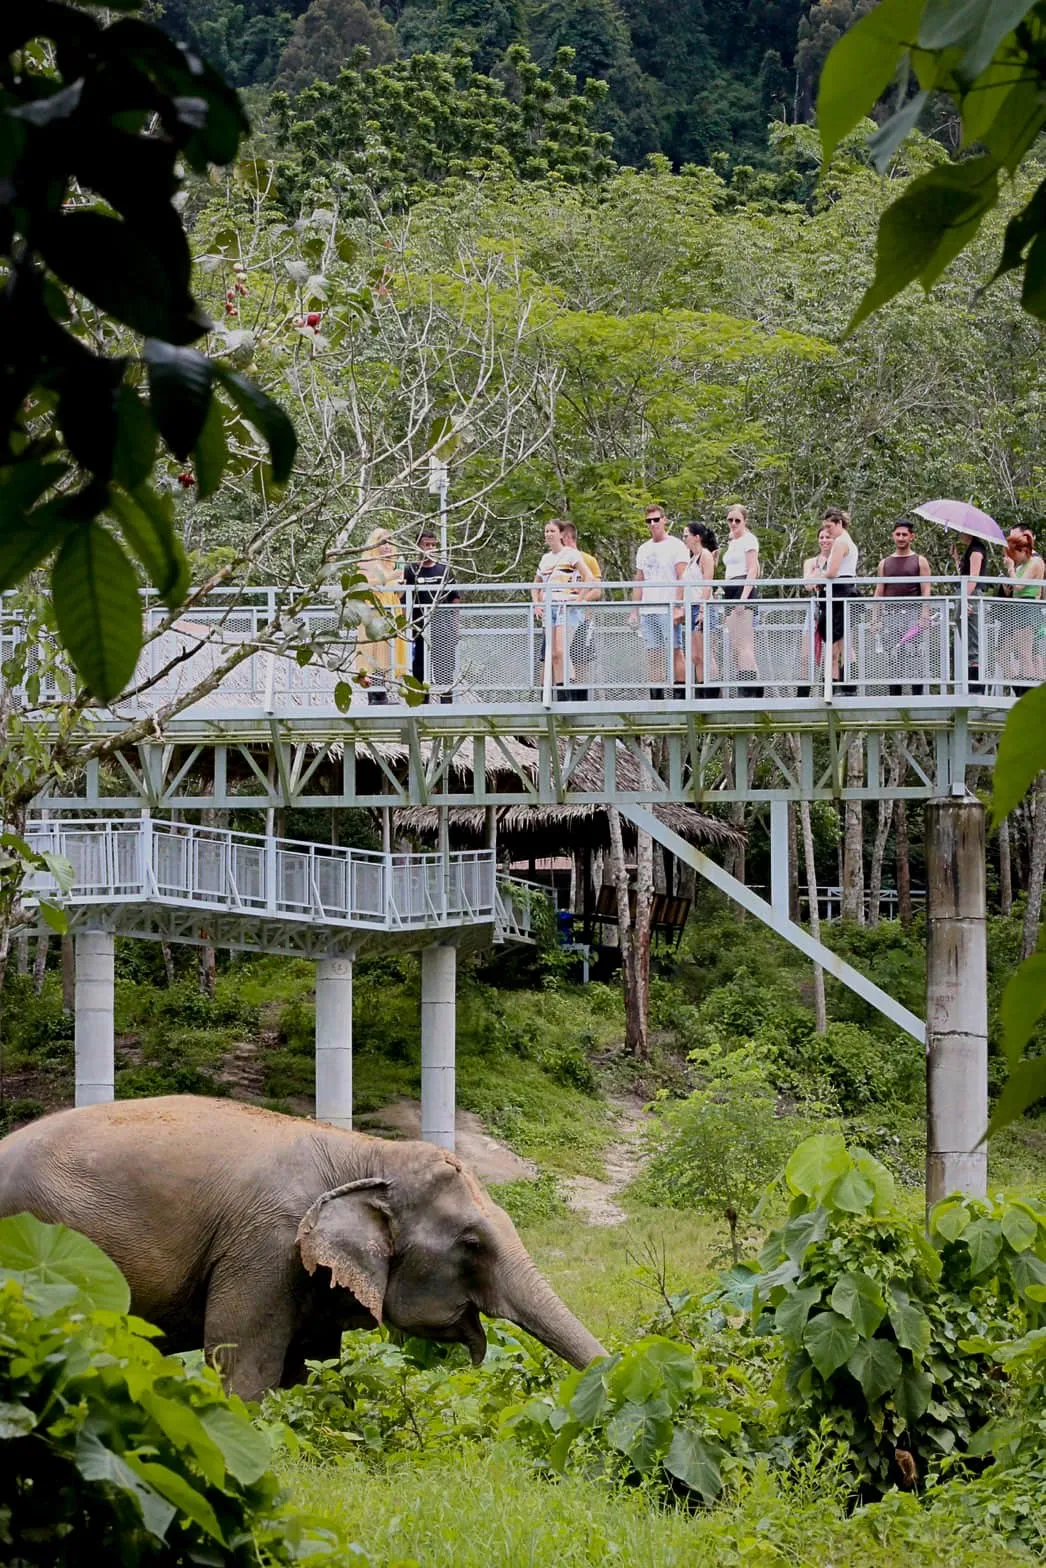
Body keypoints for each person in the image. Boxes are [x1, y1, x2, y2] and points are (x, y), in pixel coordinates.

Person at [629, 504, 689, 698]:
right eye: (649, 521)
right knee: (653, 655)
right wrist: (634, 611)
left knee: (675, 651)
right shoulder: (643, 549)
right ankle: (657, 698)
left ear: (664, 520)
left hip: (668, 608)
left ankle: (681, 695)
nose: (653, 524)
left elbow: (682, 577)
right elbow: (639, 581)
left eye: (656, 519)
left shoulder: (676, 545)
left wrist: (679, 606)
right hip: (648, 609)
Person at [533, 518, 595, 693]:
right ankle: (561, 691)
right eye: (546, 531)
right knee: (552, 654)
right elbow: (535, 585)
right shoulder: (545, 559)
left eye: (552, 531)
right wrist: (537, 604)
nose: (549, 534)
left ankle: (571, 688)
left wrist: (580, 599)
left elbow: (589, 577)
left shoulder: (570, 554)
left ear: (561, 534)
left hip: (565, 606)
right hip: (549, 607)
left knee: (561, 650)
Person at [872, 519, 931, 696]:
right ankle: (894, 698)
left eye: (904, 534)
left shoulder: (920, 561)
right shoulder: (885, 563)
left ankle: (917, 698)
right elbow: (879, 591)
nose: (901, 537)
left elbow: (926, 589)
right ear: (893, 536)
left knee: (915, 656)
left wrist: (924, 614)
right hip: (890, 615)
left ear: (911, 537)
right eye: (898, 534)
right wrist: (875, 618)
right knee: (893, 655)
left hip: (912, 614)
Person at [403, 528, 460, 702]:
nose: (430, 549)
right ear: (418, 546)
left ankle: (446, 707)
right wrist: (404, 626)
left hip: (443, 629)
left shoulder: (445, 571)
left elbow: (455, 599)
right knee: (419, 670)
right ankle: (421, 707)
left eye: (433, 545)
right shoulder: (410, 570)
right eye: (426, 545)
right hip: (419, 629)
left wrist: (456, 627)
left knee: (444, 669)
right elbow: (403, 600)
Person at [811, 505, 858, 694]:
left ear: (839, 524)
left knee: (835, 641)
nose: (827, 532)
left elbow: (832, 572)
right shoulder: (847, 541)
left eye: (829, 527)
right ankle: (839, 684)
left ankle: (839, 685)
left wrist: (816, 577)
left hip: (840, 591)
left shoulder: (841, 542)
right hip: (840, 591)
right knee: (839, 641)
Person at [357, 526, 408, 703]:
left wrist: (400, 586)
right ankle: (374, 695)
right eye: (383, 543)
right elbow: (363, 585)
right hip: (375, 613)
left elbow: (396, 594)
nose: (387, 547)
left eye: (390, 543)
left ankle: (382, 694)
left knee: (387, 654)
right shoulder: (367, 563)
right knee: (374, 653)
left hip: (391, 612)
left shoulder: (392, 564)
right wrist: (388, 577)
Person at [721, 504, 761, 696]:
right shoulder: (732, 541)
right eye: (730, 520)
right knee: (737, 643)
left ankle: (749, 690)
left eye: (738, 520)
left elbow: (753, 569)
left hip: (742, 589)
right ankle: (752, 686)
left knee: (744, 643)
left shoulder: (749, 540)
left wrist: (743, 599)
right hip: (730, 589)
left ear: (745, 521)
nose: (734, 524)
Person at [1000, 527, 1045, 690]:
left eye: (1014, 555)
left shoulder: (1035, 563)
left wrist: (1011, 568)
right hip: (1017, 610)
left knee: (1025, 654)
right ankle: (1018, 687)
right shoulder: (1023, 565)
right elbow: (1013, 588)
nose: (1013, 559)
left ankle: (1030, 693)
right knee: (1002, 654)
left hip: (1028, 609)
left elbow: (1019, 586)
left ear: (1024, 550)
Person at [560, 521, 602, 696]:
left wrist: (580, 598)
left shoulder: (588, 560)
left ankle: (580, 703)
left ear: (568, 538)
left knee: (580, 661)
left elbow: (597, 591)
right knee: (555, 658)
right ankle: (561, 699)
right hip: (560, 620)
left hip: (582, 619)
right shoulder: (556, 560)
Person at [950, 530, 987, 693]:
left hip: (971, 595)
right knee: (963, 629)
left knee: (972, 635)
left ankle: (976, 683)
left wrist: (966, 599)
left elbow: (974, 576)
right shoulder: (971, 549)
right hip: (966, 593)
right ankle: (972, 678)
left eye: (962, 532)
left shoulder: (977, 550)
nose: (960, 535)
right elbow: (964, 575)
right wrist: (956, 558)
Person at [797, 524, 832, 696]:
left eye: (828, 537)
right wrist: (818, 574)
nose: (824, 541)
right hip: (815, 608)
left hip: (833, 607)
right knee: (806, 655)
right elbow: (808, 584)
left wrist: (819, 576)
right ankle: (802, 696)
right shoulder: (811, 562)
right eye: (822, 537)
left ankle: (834, 689)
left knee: (834, 653)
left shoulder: (839, 559)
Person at [683, 522, 718, 695]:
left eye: (686, 535)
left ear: (697, 537)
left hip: (703, 607)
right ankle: (701, 691)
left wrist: (703, 609)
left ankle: (712, 693)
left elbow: (707, 583)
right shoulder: (691, 558)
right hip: (691, 608)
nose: (684, 539)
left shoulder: (705, 555)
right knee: (696, 656)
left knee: (706, 654)